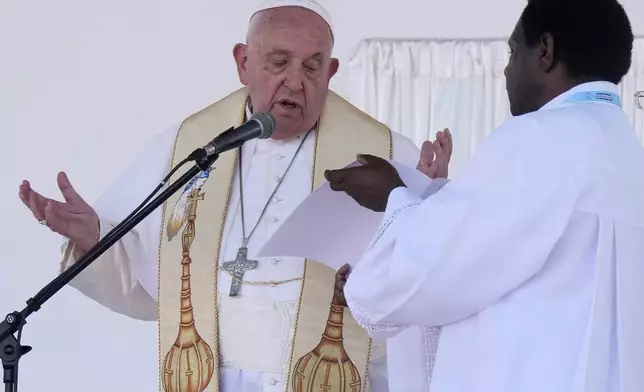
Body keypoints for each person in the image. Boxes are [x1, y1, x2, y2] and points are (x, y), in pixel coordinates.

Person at [18, 1, 452, 391]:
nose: (295, 82)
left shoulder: (387, 157)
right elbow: (147, 279)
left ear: (331, 71)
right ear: (243, 63)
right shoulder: (188, 149)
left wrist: (421, 211)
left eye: (311, 67)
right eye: (279, 62)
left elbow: (423, 293)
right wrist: (93, 236)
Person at [325, 0, 644, 391]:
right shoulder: (625, 151)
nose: (507, 69)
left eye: (512, 51)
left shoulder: (539, 140)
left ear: (545, 49)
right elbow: (512, 252)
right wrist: (434, 198)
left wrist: (394, 195)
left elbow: (424, 275)